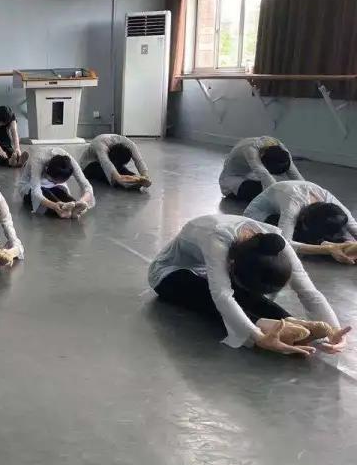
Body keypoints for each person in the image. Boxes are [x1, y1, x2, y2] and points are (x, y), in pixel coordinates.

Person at [149, 214, 349, 357]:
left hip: (214, 273)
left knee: (247, 295)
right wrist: (257, 337)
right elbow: (222, 296)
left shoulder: (275, 243)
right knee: (206, 295)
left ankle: (290, 322)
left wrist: (334, 330)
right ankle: (266, 325)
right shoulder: (216, 239)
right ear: (232, 264)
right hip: (170, 272)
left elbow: (309, 291)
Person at [244, 180, 357, 264]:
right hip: (259, 216)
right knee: (293, 237)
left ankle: (324, 242)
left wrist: (349, 243)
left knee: (337, 232)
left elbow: (353, 226)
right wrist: (327, 249)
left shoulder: (328, 199)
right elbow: (285, 243)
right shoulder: (291, 207)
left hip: (295, 209)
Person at [16, 148, 94, 218]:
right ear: (47, 171)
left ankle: (73, 209)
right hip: (29, 186)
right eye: (53, 181)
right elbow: (36, 191)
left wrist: (82, 201)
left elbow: (87, 186)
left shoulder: (69, 162)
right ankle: (64, 211)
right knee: (46, 193)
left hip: (50, 187)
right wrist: (53, 205)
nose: (55, 183)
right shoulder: (37, 161)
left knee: (64, 195)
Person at [219, 136, 302, 201]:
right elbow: (265, 176)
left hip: (251, 174)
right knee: (263, 192)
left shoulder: (280, 147)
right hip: (231, 180)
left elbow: (295, 175)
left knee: (286, 186)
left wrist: (306, 190)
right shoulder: (250, 150)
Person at [81, 134, 151, 190]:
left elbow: (139, 160)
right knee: (107, 174)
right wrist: (129, 181)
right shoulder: (101, 146)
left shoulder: (129, 144)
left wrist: (145, 176)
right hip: (89, 164)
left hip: (110, 158)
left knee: (123, 170)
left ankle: (129, 177)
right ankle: (123, 182)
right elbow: (107, 165)